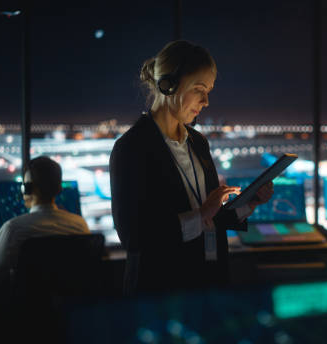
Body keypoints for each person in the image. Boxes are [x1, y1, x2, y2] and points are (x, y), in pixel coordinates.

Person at [109, 40, 273, 294]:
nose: (206, 101)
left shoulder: (198, 142)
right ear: (169, 85)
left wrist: (248, 204)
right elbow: (134, 238)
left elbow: (209, 217)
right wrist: (202, 213)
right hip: (161, 291)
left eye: (209, 90)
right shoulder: (131, 149)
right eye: (199, 89)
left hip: (208, 282)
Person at [0, 156, 90, 299]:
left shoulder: (13, 229)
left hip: (25, 314)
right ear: (59, 188)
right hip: (71, 312)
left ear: (26, 189)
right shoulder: (80, 225)